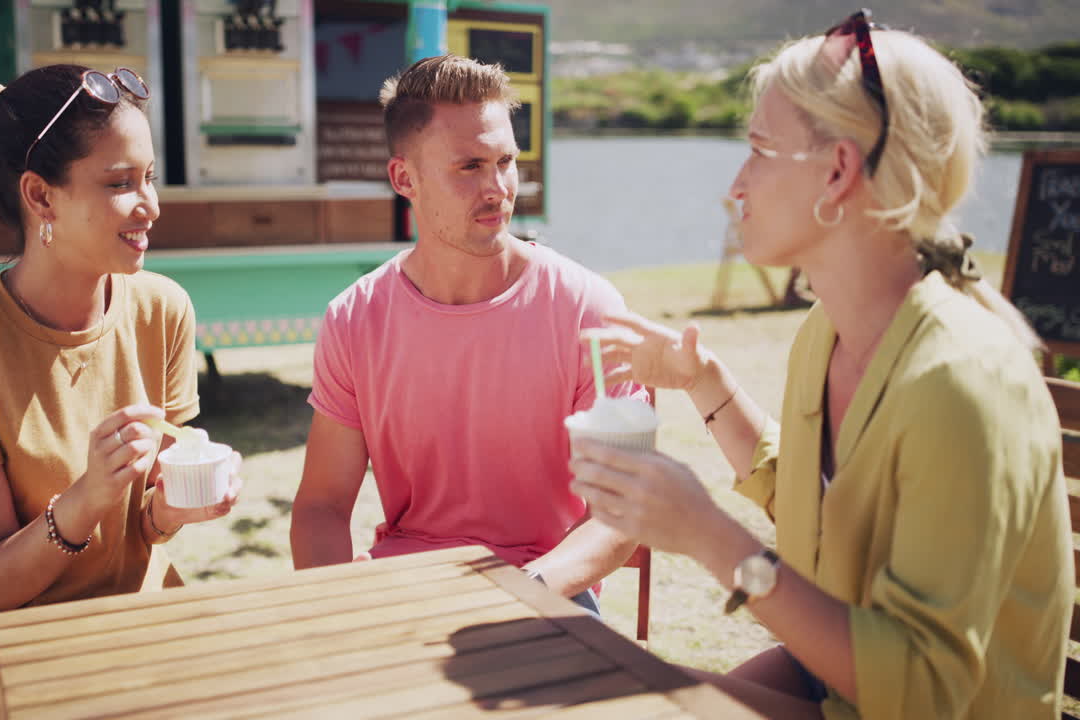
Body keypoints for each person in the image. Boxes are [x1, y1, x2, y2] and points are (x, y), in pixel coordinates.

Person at [571, 13, 1070, 720]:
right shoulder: (826, 332)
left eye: (759, 149)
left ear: (837, 172)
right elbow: (809, 504)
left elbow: (923, 696)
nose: (736, 185)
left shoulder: (962, 381)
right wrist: (703, 381)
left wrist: (711, 537)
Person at [0, 65, 241, 719]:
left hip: (130, 641)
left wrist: (175, 509)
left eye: (149, 177)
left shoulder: (163, 309)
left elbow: (144, 525)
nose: (150, 205)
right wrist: (84, 500)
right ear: (42, 197)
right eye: (119, 184)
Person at [289, 54, 648, 612]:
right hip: (402, 585)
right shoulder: (354, 318)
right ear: (404, 178)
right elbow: (322, 506)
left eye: (506, 161)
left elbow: (622, 513)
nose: (499, 188)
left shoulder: (587, 309)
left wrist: (522, 591)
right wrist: (338, 613)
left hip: (544, 587)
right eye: (469, 166)